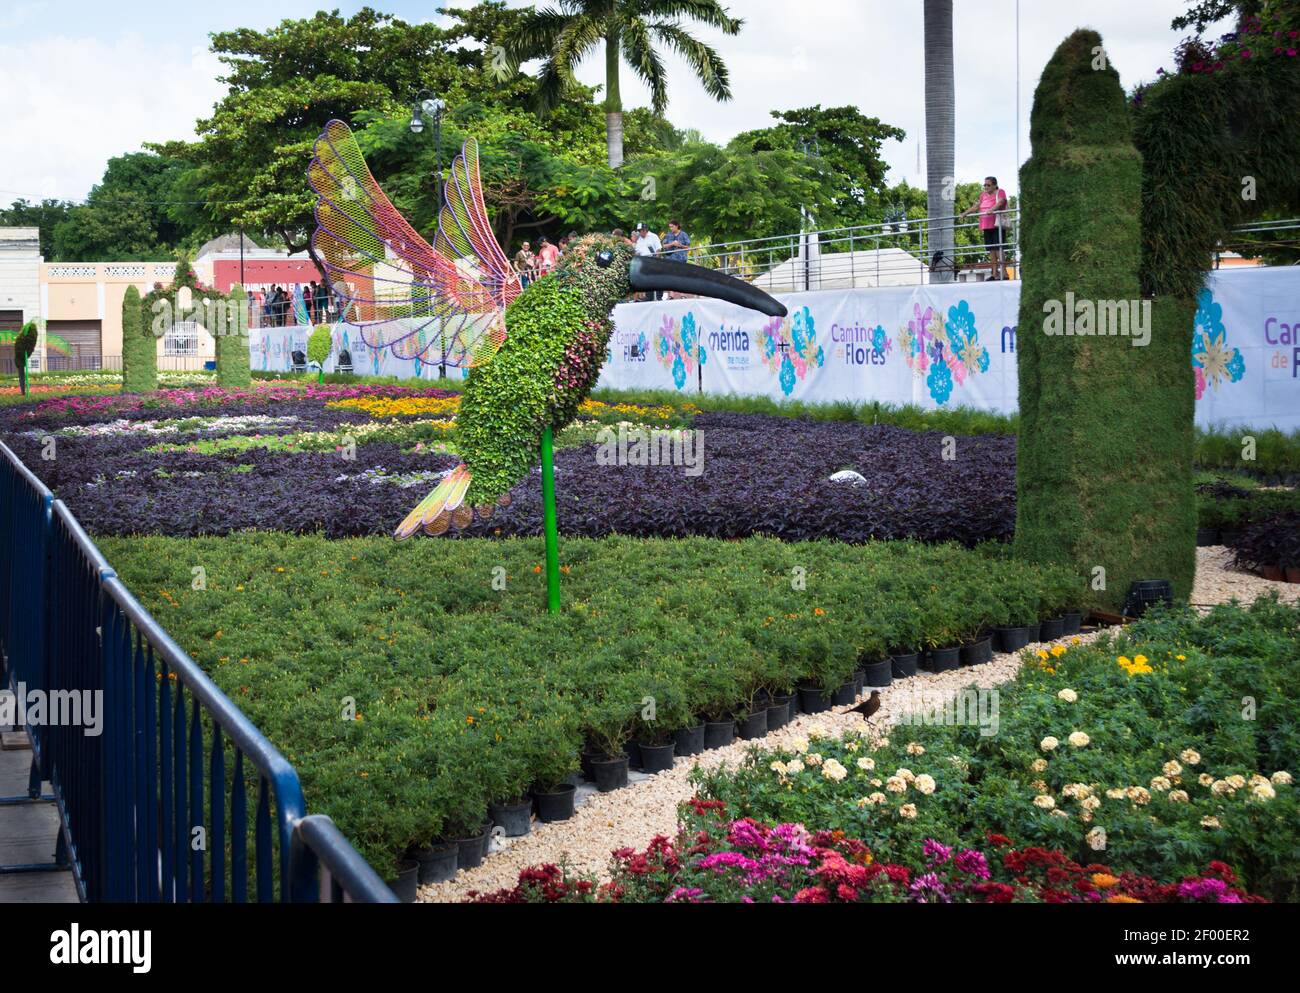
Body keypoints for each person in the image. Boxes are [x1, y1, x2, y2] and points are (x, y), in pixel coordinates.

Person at [961, 176, 1010, 280]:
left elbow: (1001, 202)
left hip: (997, 224)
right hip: (986, 225)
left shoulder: (1000, 192)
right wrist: (965, 213)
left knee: (999, 248)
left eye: (988, 185)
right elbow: (976, 206)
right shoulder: (983, 195)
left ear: (995, 185)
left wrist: (991, 209)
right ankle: (994, 273)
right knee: (991, 250)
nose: (986, 187)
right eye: (985, 185)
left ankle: (1004, 273)